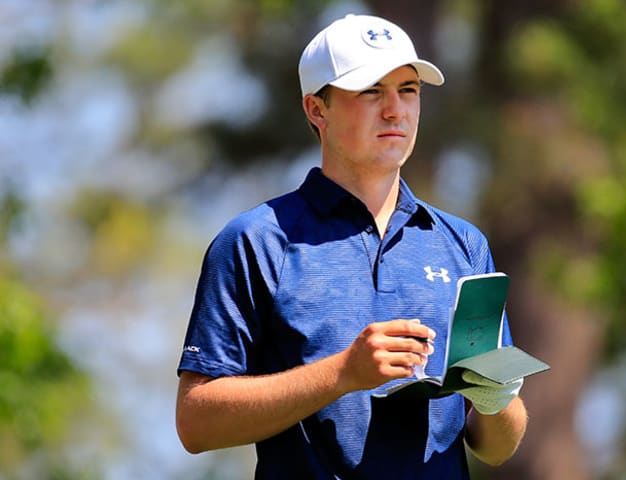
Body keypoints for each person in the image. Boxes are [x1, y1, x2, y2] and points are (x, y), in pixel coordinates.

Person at [175, 13, 528, 479]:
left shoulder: (463, 245)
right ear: (316, 110)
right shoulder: (255, 241)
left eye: (408, 90)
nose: (395, 110)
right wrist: (344, 373)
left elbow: (496, 447)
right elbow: (196, 423)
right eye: (370, 91)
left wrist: (493, 399)